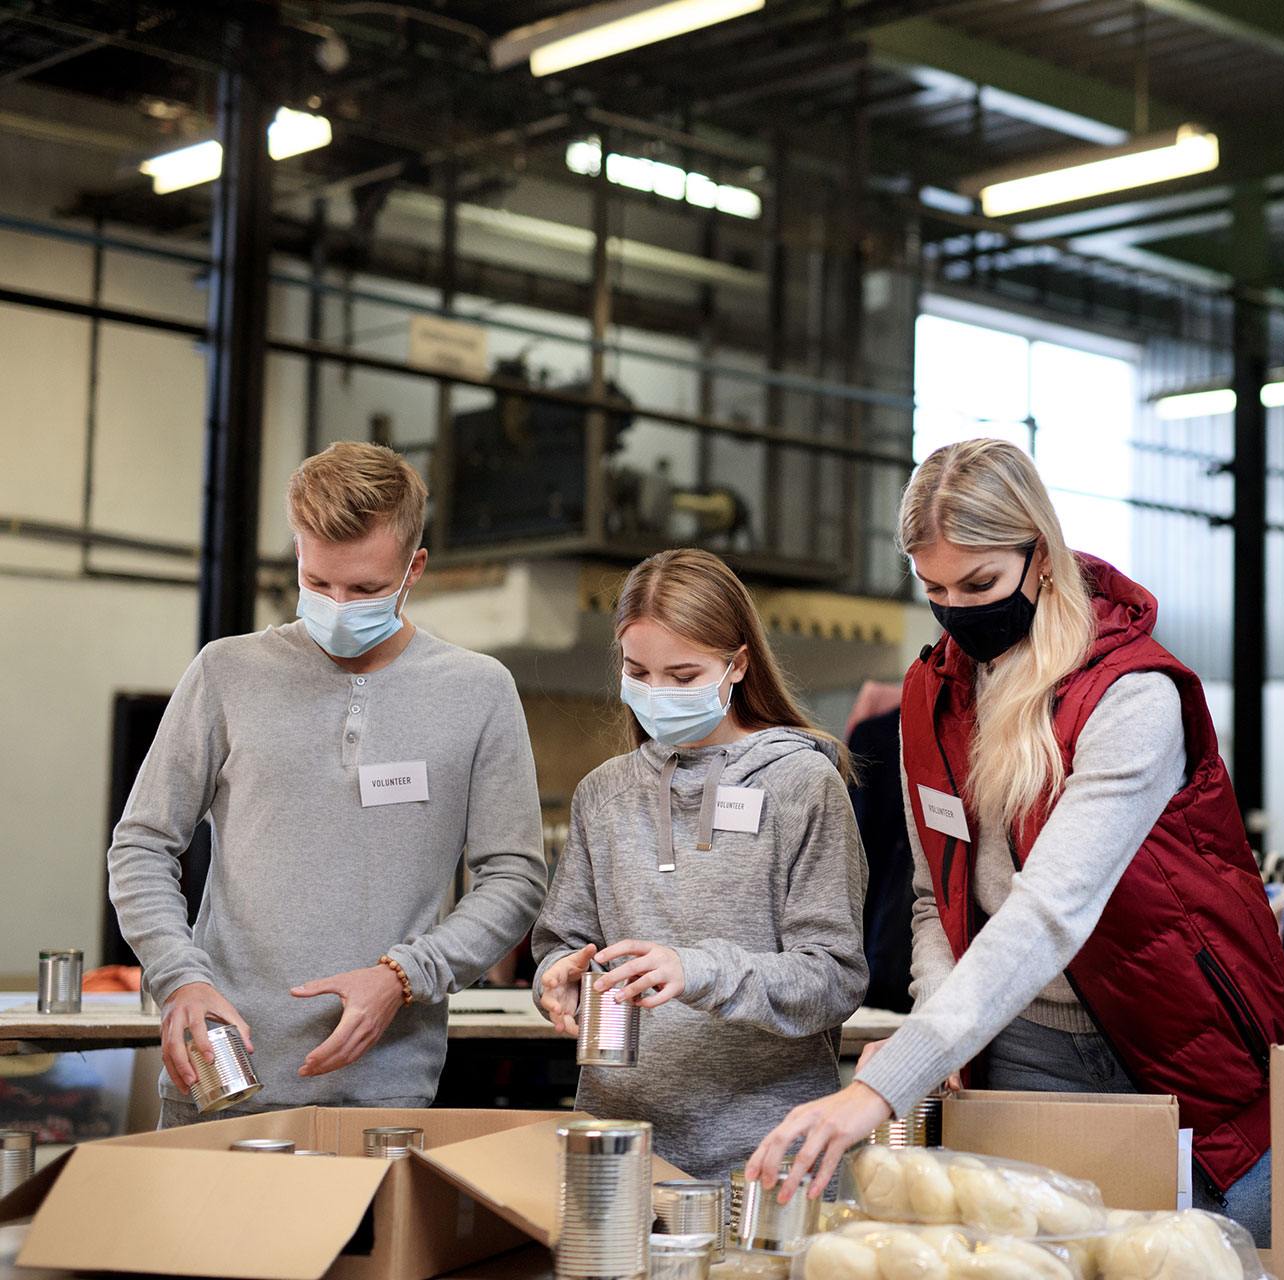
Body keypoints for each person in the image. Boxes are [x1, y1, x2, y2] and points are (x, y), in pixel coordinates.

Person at [748, 439, 1284, 1244]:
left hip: (1176, 1040)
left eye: (980, 584)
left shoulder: (1134, 696)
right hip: (1019, 1045)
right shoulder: (930, 696)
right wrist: (940, 1047)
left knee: (1187, 1261)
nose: (957, 611)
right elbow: (937, 900)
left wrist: (889, 1078)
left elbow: (1049, 911)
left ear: (1040, 555)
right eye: (933, 588)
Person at [107, 441, 548, 1125]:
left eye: (367, 589)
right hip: (223, 1077)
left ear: (414, 569)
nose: (339, 607)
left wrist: (405, 976)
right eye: (319, 583)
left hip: (385, 1090)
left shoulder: (480, 692)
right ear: (298, 554)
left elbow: (515, 877)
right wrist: (179, 978)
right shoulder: (226, 674)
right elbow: (141, 845)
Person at [532, 548, 868, 1179]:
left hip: (766, 1148)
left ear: (737, 664)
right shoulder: (603, 793)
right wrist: (558, 977)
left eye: (683, 677)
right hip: (620, 1145)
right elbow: (563, 941)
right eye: (638, 672)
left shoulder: (802, 783)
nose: (657, 695)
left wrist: (698, 970)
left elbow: (834, 979)